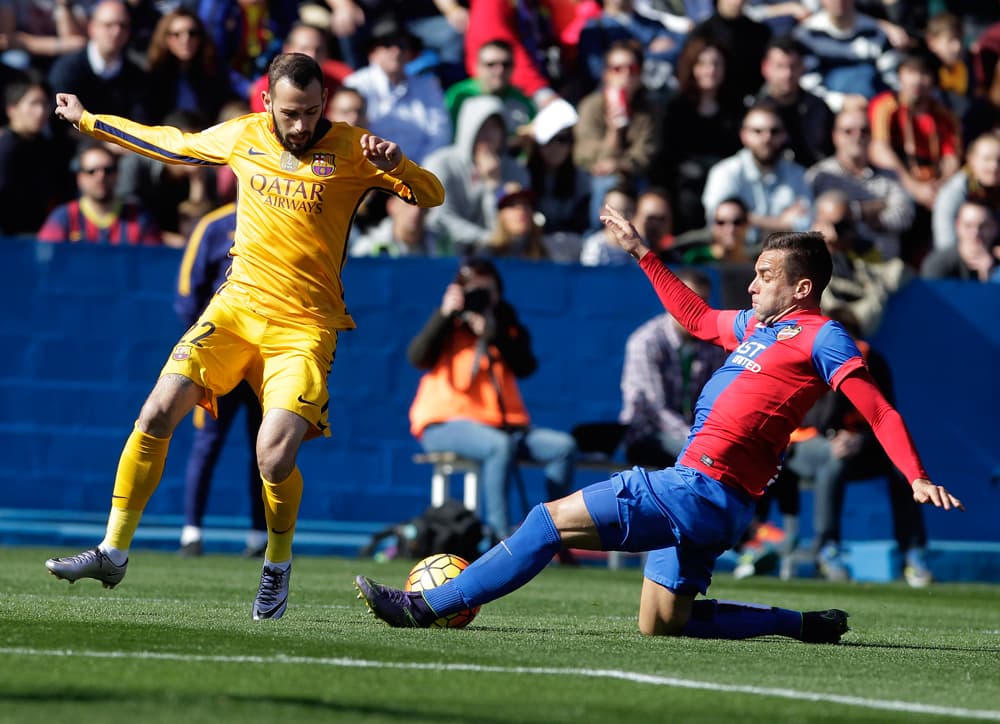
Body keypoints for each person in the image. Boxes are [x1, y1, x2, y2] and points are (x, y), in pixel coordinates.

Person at [354, 207, 964, 640]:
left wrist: (915, 475)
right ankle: (799, 624)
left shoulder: (822, 335)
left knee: (548, 519)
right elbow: (697, 317)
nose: (751, 284)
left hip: (696, 485)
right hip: (715, 499)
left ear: (803, 287)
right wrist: (642, 253)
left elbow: (877, 406)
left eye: (765, 276)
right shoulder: (758, 327)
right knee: (662, 625)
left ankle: (425, 607)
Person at [43, 53, 446, 621]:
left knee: (274, 455)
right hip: (234, 310)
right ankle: (113, 551)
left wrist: (401, 164)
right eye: (290, 113)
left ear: (324, 103)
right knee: (157, 411)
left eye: (311, 112)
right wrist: (88, 120)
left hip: (304, 327)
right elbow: (171, 145)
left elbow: (432, 197)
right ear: (266, 105)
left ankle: (276, 570)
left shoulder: (355, 150)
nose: (301, 125)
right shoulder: (243, 135)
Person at [406, 257, 577, 540]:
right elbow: (417, 356)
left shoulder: (505, 323)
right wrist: (445, 313)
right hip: (444, 424)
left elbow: (526, 366)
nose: (481, 298)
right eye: (474, 291)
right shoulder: (448, 323)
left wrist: (493, 333)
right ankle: (501, 540)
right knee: (499, 448)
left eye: (487, 291)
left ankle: (558, 536)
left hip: (504, 425)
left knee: (563, 447)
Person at [777, 308, 933, 587]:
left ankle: (913, 553)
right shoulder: (810, 358)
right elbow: (813, 418)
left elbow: (886, 417)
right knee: (832, 461)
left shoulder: (874, 362)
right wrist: (836, 435)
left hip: (856, 449)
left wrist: (858, 439)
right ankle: (827, 549)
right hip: (803, 447)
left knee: (900, 468)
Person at [174, 202, 266, 558]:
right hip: (220, 358)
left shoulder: (284, 214)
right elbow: (187, 290)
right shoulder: (216, 225)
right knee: (207, 443)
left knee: (267, 448)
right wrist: (202, 346)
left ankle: (260, 536)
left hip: (264, 360)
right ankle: (191, 532)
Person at [619, 268, 728, 469]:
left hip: (692, 435)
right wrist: (698, 440)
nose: (697, 309)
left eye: (703, 302)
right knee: (708, 459)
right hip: (649, 435)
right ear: (672, 299)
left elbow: (718, 401)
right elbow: (655, 409)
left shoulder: (710, 344)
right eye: (690, 301)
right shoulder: (647, 341)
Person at [806, 105, 914, 261]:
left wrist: (855, 212)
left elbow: (905, 217)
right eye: (848, 131)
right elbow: (810, 221)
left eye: (864, 131)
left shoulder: (888, 177)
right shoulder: (819, 176)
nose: (857, 137)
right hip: (836, 268)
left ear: (871, 136)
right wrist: (879, 206)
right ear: (835, 136)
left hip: (885, 268)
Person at [701, 102, 813, 246]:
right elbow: (719, 223)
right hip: (736, 259)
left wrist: (748, 219)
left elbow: (806, 226)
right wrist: (781, 224)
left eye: (774, 131)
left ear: (785, 135)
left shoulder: (798, 174)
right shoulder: (724, 172)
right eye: (758, 131)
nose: (767, 138)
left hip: (783, 258)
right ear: (744, 136)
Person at [344, 17, 452, 165]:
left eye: (402, 45)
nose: (396, 51)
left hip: (421, 170)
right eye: (387, 45)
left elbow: (440, 134)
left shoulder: (428, 85)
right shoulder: (356, 84)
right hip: (369, 167)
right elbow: (349, 131)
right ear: (373, 54)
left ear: (410, 54)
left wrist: (415, 170)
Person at [573, 39, 655, 232]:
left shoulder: (648, 111)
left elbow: (647, 153)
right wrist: (614, 131)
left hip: (633, 177)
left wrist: (620, 165)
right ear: (606, 74)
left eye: (632, 69)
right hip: (593, 178)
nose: (625, 75)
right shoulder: (591, 106)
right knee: (605, 186)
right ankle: (596, 240)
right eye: (617, 69)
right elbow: (584, 156)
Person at [37, 141, 161, 245]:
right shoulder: (64, 217)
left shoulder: (140, 218)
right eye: (92, 171)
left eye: (108, 170)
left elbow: (153, 265)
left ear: (118, 175)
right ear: (79, 178)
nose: (101, 176)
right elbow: (43, 264)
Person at [47, 0, 149, 122]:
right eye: (108, 25)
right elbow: (60, 123)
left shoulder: (135, 75)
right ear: (91, 28)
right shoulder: (67, 69)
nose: (117, 32)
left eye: (123, 25)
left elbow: (140, 123)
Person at [145, 7, 232, 125]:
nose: (186, 39)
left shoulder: (213, 73)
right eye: (177, 34)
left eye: (192, 33)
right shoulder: (152, 77)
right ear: (165, 38)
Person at [444, 38, 535, 150]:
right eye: (491, 64)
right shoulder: (459, 96)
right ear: (477, 66)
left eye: (506, 64)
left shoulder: (522, 101)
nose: (499, 70)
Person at [922, 200, 1000, 282]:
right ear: (957, 226)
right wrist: (986, 281)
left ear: (996, 228)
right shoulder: (938, 264)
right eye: (968, 226)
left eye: (983, 226)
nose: (975, 233)